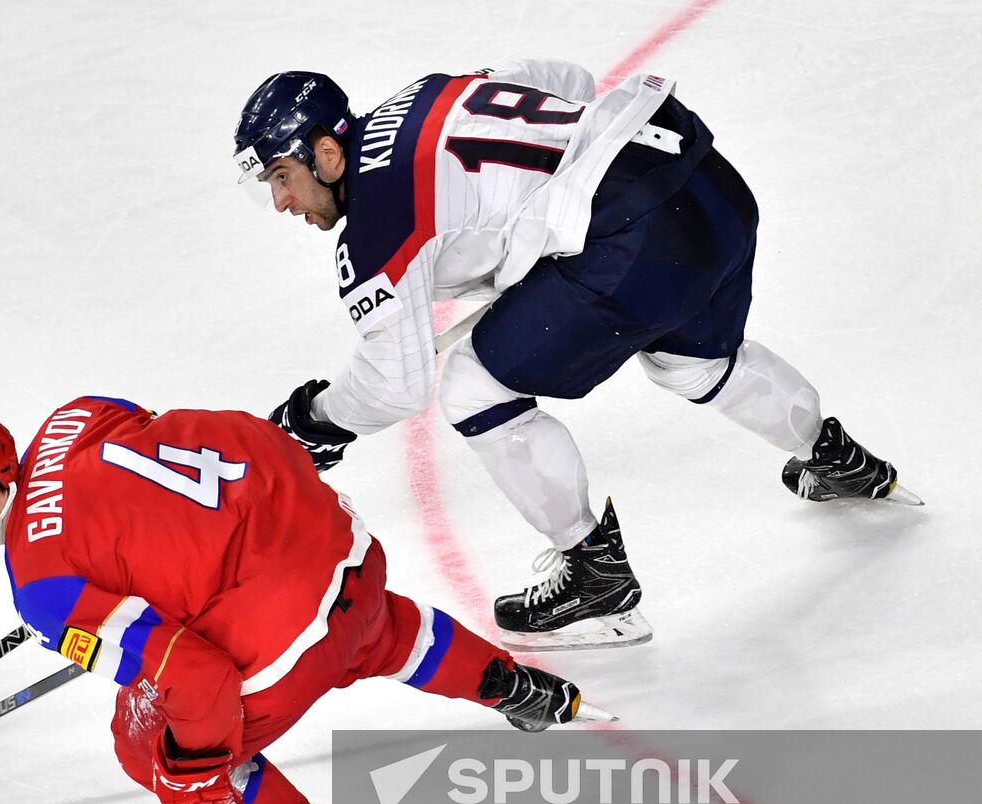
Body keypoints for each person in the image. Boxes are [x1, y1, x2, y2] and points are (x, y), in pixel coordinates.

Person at [233, 64, 921, 652]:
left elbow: (397, 385)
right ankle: (838, 460)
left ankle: (596, 579)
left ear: (327, 154)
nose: (281, 201)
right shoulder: (419, 95)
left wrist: (315, 421)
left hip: (636, 237)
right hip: (703, 179)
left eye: (282, 175)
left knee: (472, 389)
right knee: (697, 362)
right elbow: (565, 78)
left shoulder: (377, 225)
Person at [0, 396, 599, 804]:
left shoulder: (41, 590)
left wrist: (195, 769)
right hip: (339, 540)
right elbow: (160, 470)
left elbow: (194, 675)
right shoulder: (76, 414)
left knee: (149, 744)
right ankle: (521, 690)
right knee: (373, 629)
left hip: (289, 635)